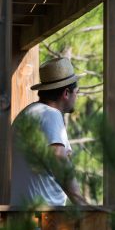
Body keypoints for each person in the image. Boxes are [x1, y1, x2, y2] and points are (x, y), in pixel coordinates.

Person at [10, 57, 88, 206]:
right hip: (45, 218)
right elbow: (58, 157)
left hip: (22, 216)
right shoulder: (50, 114)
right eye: (76, 92)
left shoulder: (26, 114)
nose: (76, 97)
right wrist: (82, 205)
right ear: (66, 93)